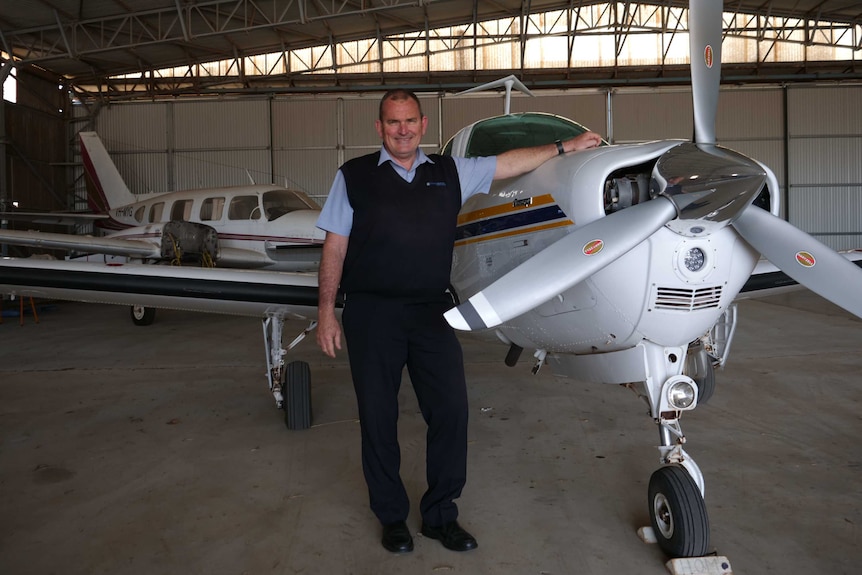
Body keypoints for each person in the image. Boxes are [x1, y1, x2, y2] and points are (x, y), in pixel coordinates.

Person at [315, 89, 601, 554]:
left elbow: (508, 163)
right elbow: (334, 247)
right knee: (377, 417)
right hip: (372, 312)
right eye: (393, 122)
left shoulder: (450, 172)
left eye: (410, 121)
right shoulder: (353, 177)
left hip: (431, 311)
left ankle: (440, 515)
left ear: (423, 125)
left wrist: (564, 148)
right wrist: (326, 312)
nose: (402, 129)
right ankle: (392, 518)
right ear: (379, 127)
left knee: (451, 412)